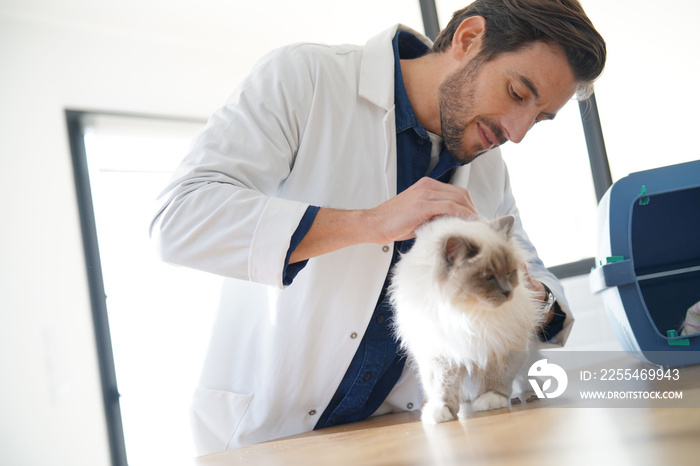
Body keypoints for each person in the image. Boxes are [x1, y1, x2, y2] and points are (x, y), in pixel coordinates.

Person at [150, 0, 606, 455]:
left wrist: (523, 292)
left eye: (540, 118)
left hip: (397, 437)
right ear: (468, 39)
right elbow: (180, 217)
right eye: (517, 93)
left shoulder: (487, 166)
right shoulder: (305, 78)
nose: (519, 131)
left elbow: (545, 297)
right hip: (266, 435)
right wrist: (369, 223)